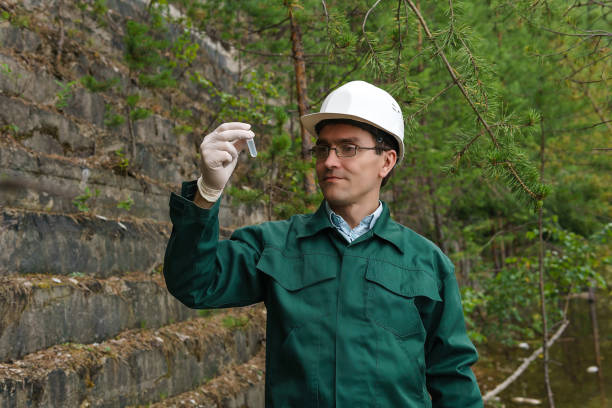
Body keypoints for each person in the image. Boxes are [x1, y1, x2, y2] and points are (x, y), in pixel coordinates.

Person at [163, 80, 483, 407]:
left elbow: (452, 375)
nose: (330, 161)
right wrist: (207, 192)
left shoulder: (425, 263)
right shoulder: (275, 245)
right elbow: (194, 284)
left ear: (386, 162)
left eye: (348, 148)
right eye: (323, 148)